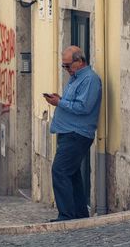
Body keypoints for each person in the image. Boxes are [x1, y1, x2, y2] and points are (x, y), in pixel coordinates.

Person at [44, 45, 102, 221]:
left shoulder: (90, 80)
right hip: (68, 132)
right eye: (64, 66)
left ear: (80, 61)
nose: (66, 69)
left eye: (68, 65)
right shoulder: (75, 78)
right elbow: (72, 102)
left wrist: (59, 103)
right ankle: (79, 213)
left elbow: (84, 107)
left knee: (60, 171)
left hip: (77, 134)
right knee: (73, 174)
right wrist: (60, 99)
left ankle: (66, 215)